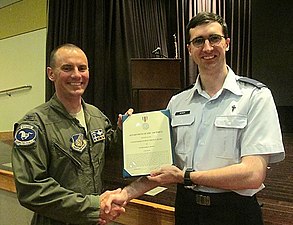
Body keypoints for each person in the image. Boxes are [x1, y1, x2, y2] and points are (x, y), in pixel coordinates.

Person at [104, 12, 285, 225]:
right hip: (187, 211)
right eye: (198, 41)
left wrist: (185, 177)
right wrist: (125, 194)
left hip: (235, 213)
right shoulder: (178, 102)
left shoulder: (255, 96)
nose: (207, 48)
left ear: (226, 43)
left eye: (214, 38)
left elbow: (252, 174)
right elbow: (161, 167)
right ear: (190, 49)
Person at [12, 43, 132, 225]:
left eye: (82, 68)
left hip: (94, 220)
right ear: (51, 73)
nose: (77, 75)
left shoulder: (95, 115)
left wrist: (125, 131)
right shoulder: (35, 124)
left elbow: (108, 149)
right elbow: (31, 189)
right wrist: (92, 206)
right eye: (67, 68)